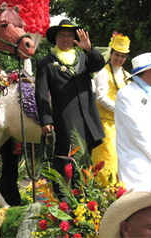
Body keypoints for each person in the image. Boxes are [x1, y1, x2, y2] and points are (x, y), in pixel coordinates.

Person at [35, 19, 105, 197]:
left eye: (69, 36)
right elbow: (41, 95)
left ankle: (84, 197)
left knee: (84, 160)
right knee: (66, 160)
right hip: (65, 120)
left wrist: (89, 48)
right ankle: (64, 199)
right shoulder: (46, 64)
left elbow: (99, 64)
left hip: (86, 118)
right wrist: (46, 120)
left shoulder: (82, 57)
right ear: (56, 39)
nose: (66, 39)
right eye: (62, 36)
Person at [91, 32, 131, 186]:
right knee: (108, 159)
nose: (119, 59)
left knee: (123, 159)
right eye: (117, 55)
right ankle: (105, 194)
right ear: (111, 53)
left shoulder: (127, 75)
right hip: (105, 125)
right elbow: (100, 97)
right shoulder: (103, 72)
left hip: (122, 126)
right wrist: (120, 109)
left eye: (122, 56)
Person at [115, 52, 151, 191]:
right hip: (136, 158)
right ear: (149, 73)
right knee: (139, 203)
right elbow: (135, 128)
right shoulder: (126, 94)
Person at [0, 137, 22, 206]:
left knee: (9, 170)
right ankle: (13, 200)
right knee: (10, 171)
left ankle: (6, 197)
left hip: (10, 142)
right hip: (9, 142)